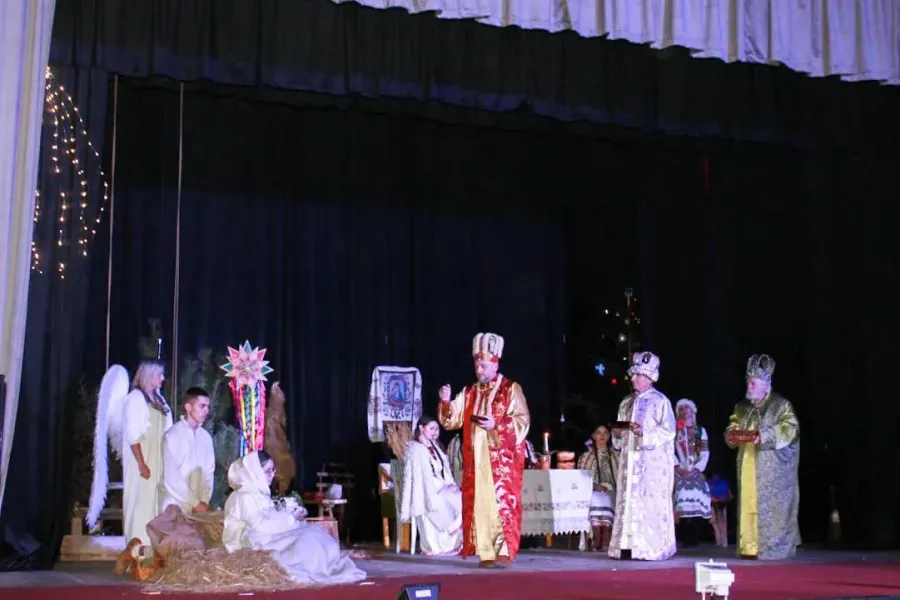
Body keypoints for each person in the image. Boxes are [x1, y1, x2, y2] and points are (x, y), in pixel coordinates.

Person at [438, 332, 531, 568]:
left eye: (483, 365)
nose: (479, 370)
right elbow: (452, 420)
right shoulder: (470, 392)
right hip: (476, 460)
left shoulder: (510, 389)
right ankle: (486, 551)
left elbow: (523, 421)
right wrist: (446, 402)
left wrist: (496, 425)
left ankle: (504, 551)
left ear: (495, 363)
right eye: (477, 365)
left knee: (501, 503)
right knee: (481, 503)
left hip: (501, 461)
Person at [223, 451, 366, 585]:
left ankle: (326, 565)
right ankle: (319, 569)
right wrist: (288, 517)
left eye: (272, 470)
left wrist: (287, 513)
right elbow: (260, 525)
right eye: (267, 471)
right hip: (253, 541)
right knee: (306, 539)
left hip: (266, 534)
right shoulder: (245, 496)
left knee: (313, 532)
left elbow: (267, 517)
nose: (272, 475)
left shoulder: (256, 492)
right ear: (255, 473)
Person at [725, 354, 800, 560]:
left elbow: (790, 429)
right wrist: (732, 434)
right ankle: (749, 546)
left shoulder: (781, 405)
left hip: (772, 470)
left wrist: (763, 436)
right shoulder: (742, 407)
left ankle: (772, 547)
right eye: (748, 382)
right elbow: (732, 425)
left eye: (753, 383)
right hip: (748, 465)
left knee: (771, 510)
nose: (749, 386)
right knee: (748, 504)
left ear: (766, 385)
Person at [609, 351, 677, 561]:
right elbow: (619, 432)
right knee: (628, 500)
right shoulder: (626, 402)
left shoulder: (660, 401)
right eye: (634, 374)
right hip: (629, 460)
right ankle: (626, 546)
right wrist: (617, 434)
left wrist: (644, 433)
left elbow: (668, 431)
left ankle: (651, 547)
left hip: (651, 464)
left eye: (639, 375)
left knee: (649, 503)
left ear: (649, 377)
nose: (634, 378)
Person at [122, 361, 174, 548]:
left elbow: (168, 430)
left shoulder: (159, 399)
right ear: (149, 375)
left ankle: (154, 547)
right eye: (159, 374)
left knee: (156, 501)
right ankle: (137, 547)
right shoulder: (136, 398)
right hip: (143, 458)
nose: (162, 378)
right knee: (140, 502)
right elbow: (133, 435)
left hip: (158, 458)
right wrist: (141, 463)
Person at [401, 416, 463, 555]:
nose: (435, 432)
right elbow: (420, 477)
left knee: (461, 497)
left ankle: (454, 537)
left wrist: (450, 484)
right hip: (426, 491)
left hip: (440, 487)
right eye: (431, 429)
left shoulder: (435, 447)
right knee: (440, 501)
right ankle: (443, 543)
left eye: (437, 429)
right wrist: (440, 487)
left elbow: (443, 471)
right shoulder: (415, 449)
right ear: (421, 428)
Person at [159, 387, 215, 515]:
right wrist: (194, 502)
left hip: (199, 508)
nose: (206, 411)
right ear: (188, 407)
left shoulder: (206, 437)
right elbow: (171, 477)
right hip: (175, 505)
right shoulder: (173, 435)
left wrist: (204, 501)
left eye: (208, 407)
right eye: (202, 406)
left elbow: (209, 473)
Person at [672, 399, 712, 547]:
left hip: (695, 469)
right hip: (678, 468)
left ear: (692, 410)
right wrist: (678, 468)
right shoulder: (674, 431)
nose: (684, 411)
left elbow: (704, 452)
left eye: (686, 408)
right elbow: (669, 451)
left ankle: (694, 533)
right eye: (681, 409)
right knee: (681, 491)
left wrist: (696, 469)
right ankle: (682, 534)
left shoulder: (700, 431)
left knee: (698, 491)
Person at [576, 425, 619, 551]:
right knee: (598, 499)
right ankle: (597, 539)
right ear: (594, 436)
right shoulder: (586, 457)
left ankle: (606, 540)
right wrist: (594, 486)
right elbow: (581, 478)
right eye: (599, 433)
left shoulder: (616, 456)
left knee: (607, 499)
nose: (602, 436)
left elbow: (622, 477)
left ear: (609, 436)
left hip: (613, 491)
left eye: (605, 433)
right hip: (592, 491)